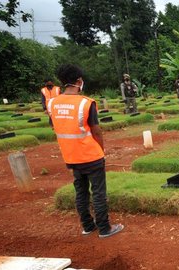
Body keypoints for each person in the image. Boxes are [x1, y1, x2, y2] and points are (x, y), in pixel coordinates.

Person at [47, 64, 124, 238]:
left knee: (81, 192)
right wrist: (101, 151)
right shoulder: (85, 103)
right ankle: (105, 228)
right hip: (90, 154)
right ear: (79, 81)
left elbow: (55, 125)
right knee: (98, 192)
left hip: (70, 156)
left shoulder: (53, 103)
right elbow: (96, 131)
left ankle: (88, 226)